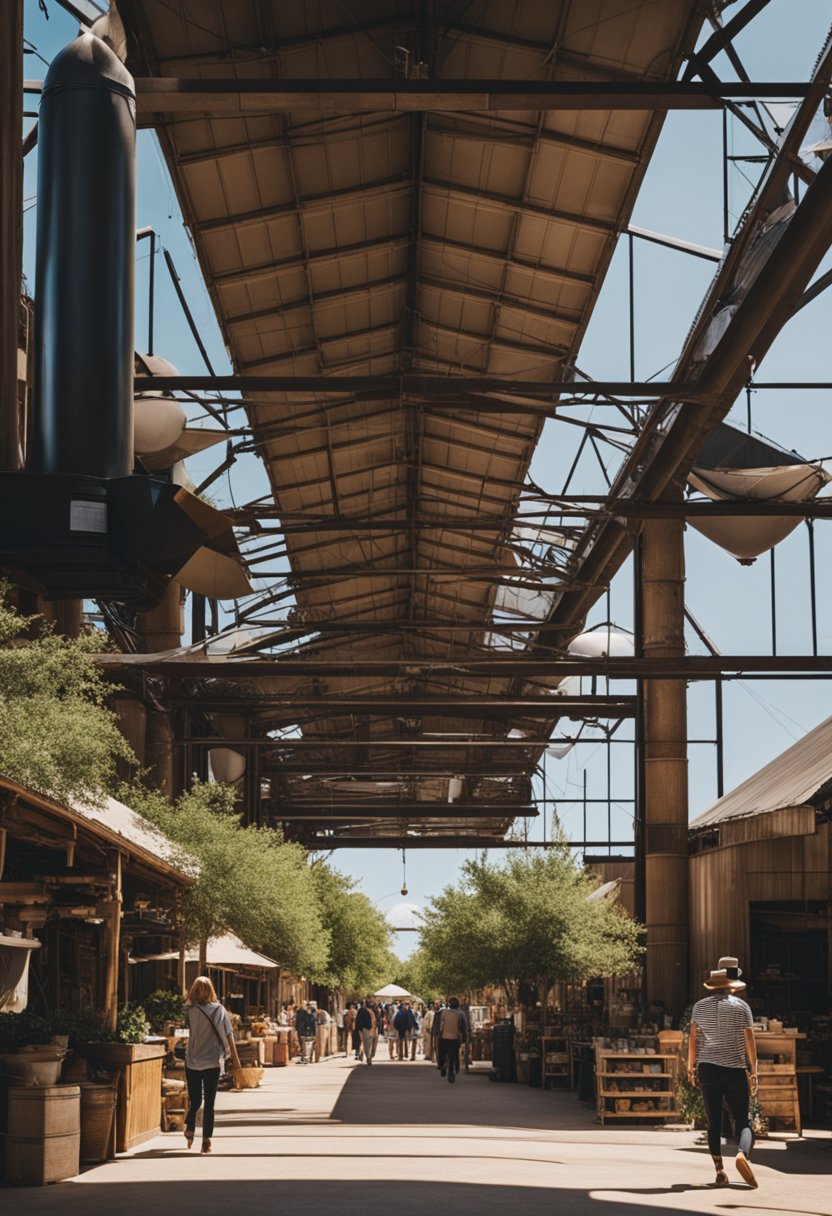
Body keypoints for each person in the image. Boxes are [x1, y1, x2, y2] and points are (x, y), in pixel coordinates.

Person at [687, 957, 758, 1189]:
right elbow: (750, 1042)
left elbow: (693, 1039)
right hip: (735, 1069)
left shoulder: (699, 1007)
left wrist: (690, 1066)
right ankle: (742, 1155)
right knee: (743, 1121)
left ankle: (719, 1170)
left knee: (714, 1122)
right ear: (731, 986)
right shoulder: (742, 1007)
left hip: (707, 1068)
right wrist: (754, 1072)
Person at [182, 975, 241, 1154]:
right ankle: (206, 1140)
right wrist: (236, 1059)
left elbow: (188, 1031)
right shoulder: (219, 1010)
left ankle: (190, 1128)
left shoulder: (189, 1011)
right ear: (211, 991)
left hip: (192, 1060)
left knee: (195, 1101)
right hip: (212, 1061)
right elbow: (229, 1034)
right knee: (209, 1103)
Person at [437, 996, 469, 1083]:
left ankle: (442, 1064)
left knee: (442, 1053)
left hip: (443, 1037)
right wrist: (465, 1039)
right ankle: (451, 1073)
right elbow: (463, 1027)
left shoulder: (443, 1012)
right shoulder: (460, 1014)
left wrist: (438, 1035)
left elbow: (440, 1025)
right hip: (454, 1038)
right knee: (452, 1056)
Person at [355, 1000, 376, 1065]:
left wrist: (359, 1028)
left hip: (361, 1029)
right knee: (368, 1044)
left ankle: (361, 1054)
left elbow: (357, 1020)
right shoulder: (369, 1012)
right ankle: (368, 1057)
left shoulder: (360, 1011)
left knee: (362, 1042)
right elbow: (373, 1021)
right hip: (367, 1029)